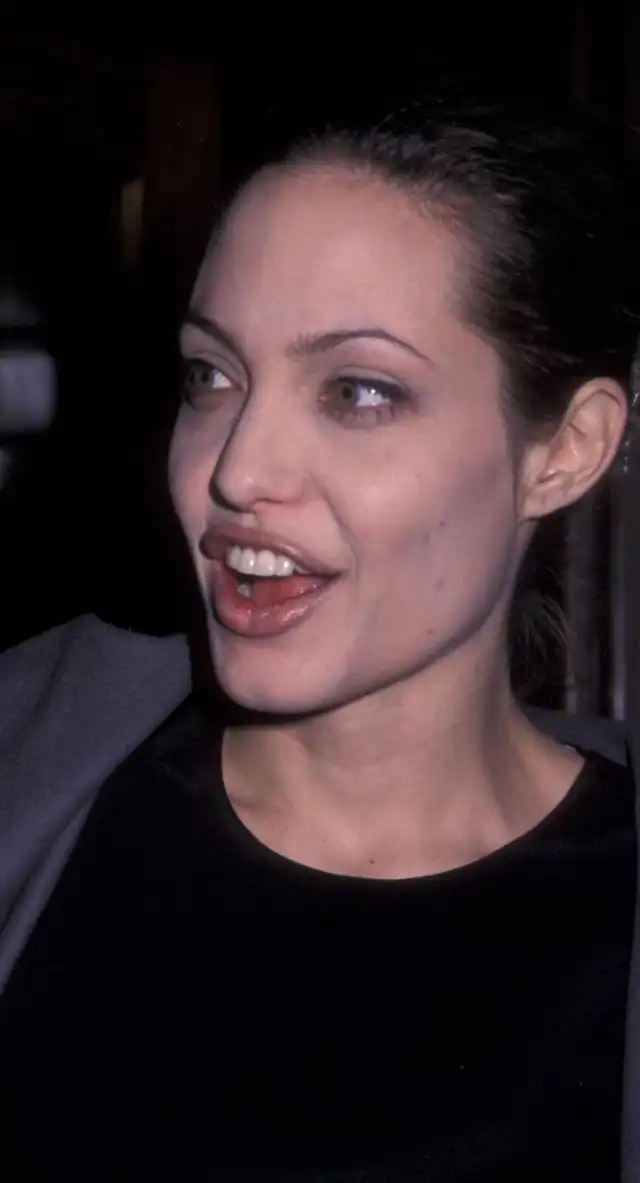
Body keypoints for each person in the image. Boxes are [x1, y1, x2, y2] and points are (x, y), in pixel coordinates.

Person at [0, 91, 639, 1181]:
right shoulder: (28, 761)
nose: (237, 469)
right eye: (211, 376)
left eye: (358, 391)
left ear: (565, 450)